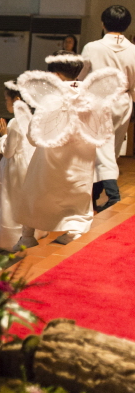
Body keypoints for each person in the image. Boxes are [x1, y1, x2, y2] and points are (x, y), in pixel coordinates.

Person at [14, 55, 124, 248]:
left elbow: (34, 135)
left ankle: (27, 237)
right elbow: (103, 130)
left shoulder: (50, 98)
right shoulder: (93, 97)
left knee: (36, 195)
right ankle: (74, 231)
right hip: (80, 162)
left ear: (55, 74)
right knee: (77, 196)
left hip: (49, 162)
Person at [80, 5, 135, 212]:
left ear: (103, 23)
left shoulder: (92, 47)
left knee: (96, 152)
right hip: (122, 102)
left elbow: (80, 77)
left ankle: (111, 194)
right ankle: (95, 198)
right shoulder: (134, 50)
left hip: (97, 101)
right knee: (110, 152)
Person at [0, 82, 33, 250]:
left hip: (13, 168)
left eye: (7, 99)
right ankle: (26, 235)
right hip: (27, 165)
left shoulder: (14, 122)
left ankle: (5, 241)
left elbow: (7, 152)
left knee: (8, 202)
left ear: (17, 99)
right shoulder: (30, 117)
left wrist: (4, 135)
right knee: (21, 201)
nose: (5, 103)